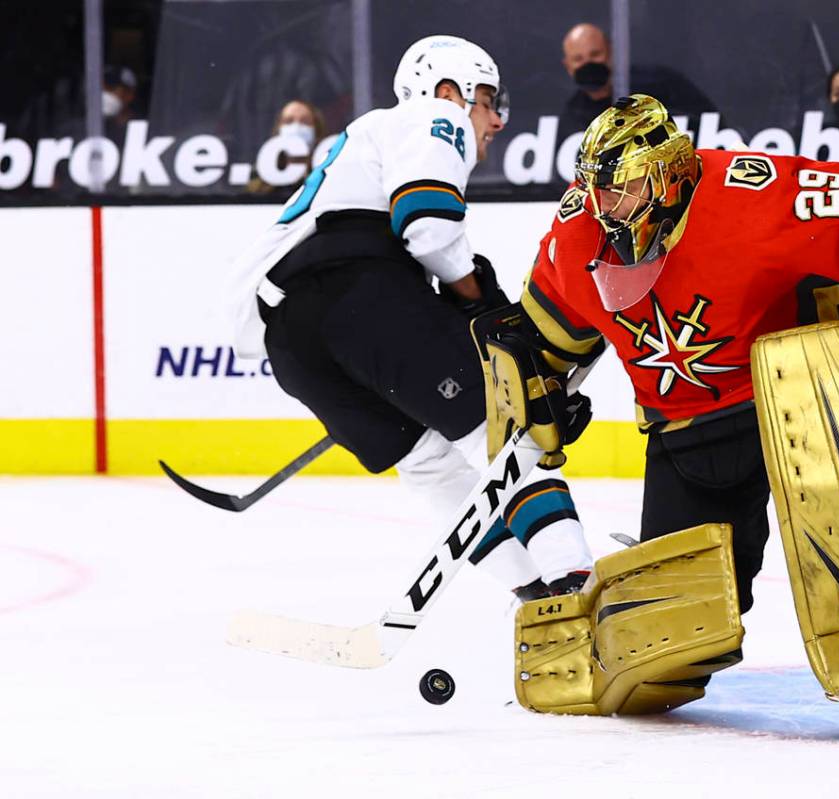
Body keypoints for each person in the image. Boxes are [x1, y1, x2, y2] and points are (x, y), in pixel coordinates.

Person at [495, 93, 839, 620]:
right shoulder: (578, 233)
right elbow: (546, 330)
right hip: (689, 432)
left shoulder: (754, 193)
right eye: (598, 188)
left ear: (668, 174)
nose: (605, 203)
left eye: (623, 187)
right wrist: (538, 386)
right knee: (672, 633)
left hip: (808, 393)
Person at [227, 35, 593, 600]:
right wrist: (480, 302)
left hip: (293, 345)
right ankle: (577, 582)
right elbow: (426, 223)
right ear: (451, 90)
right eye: (489, 101)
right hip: (355, 298)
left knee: (432, 466)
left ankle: (537, 594)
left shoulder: (363, 145)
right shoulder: (433, 114)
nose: (496, 121)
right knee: (509, 435)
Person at [559, 23, 719, 141]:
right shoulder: (572, 116)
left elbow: (711, 124)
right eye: (578, 59)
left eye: (595, 55)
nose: (588, 64)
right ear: (568, 66)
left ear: (611, 51)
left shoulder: (659, 83)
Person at [247, 99, 328, 198]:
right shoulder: (261, 172)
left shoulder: (327, 171)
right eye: (289, 121)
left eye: (305, 121)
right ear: (279, 128)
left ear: (316, 130)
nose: (297, 126)